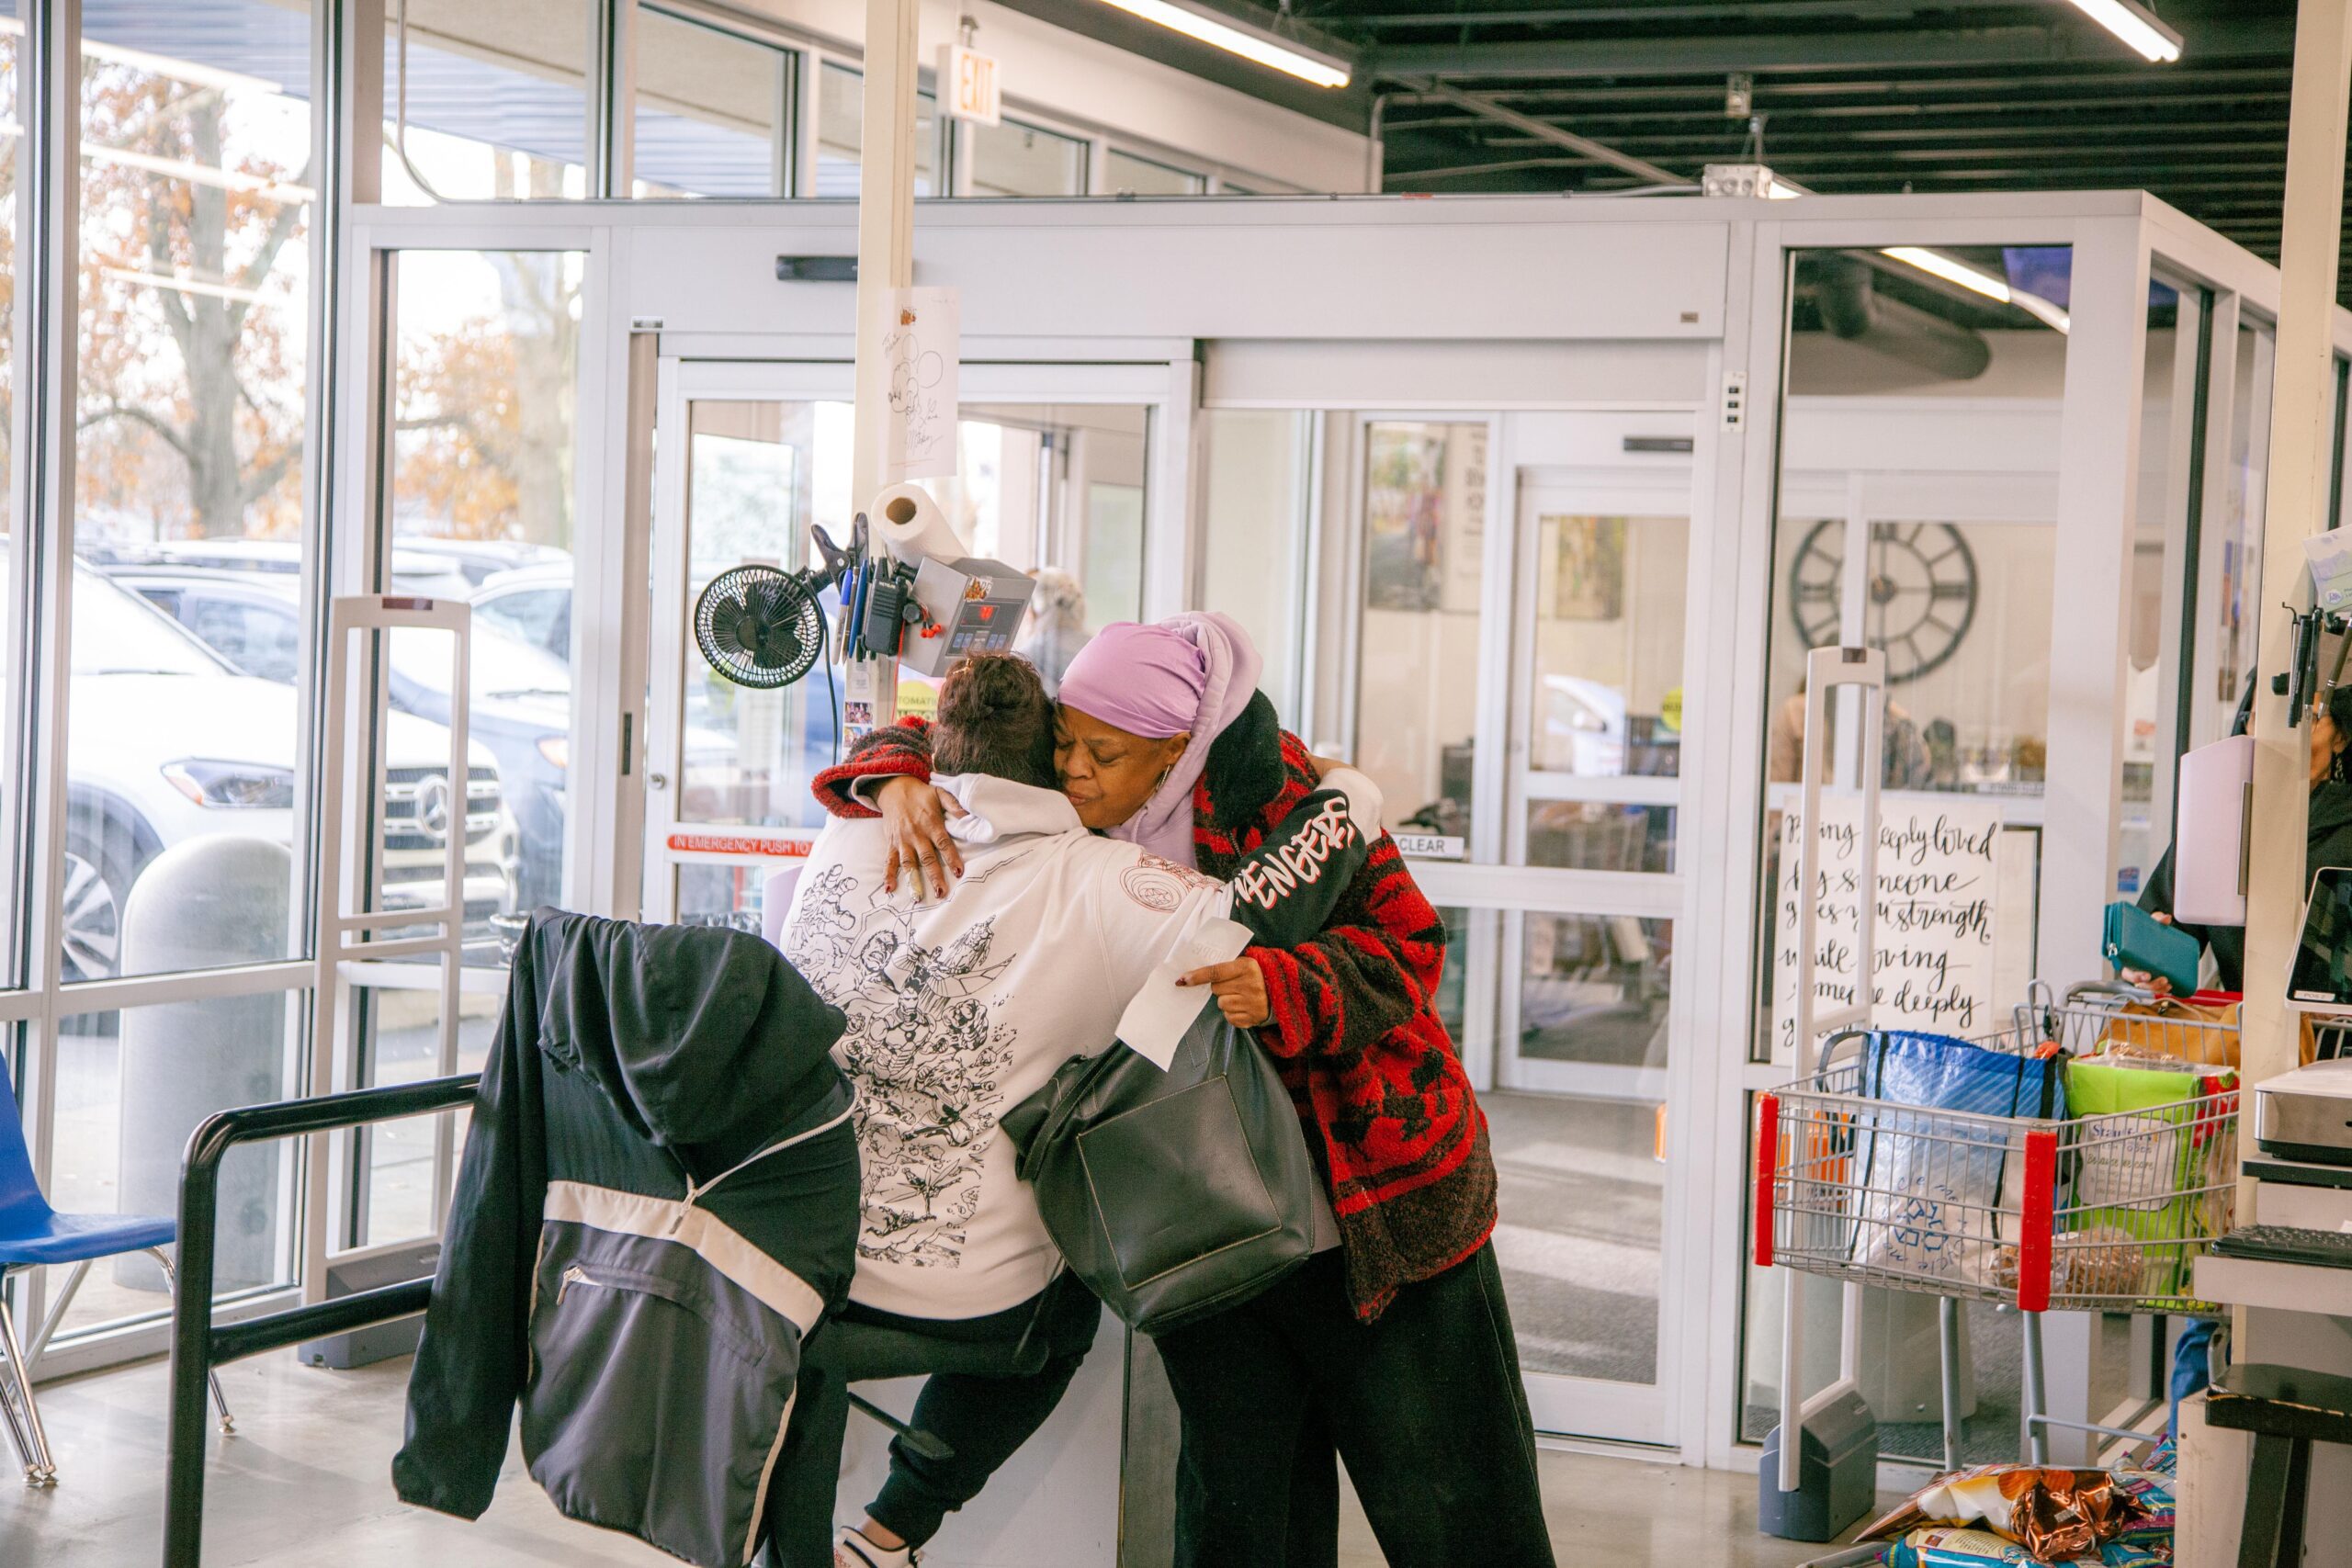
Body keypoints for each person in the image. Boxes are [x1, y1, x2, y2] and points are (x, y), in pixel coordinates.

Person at [815, 613, 1555, 1568]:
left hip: (1373, 1205)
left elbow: (1410, 949)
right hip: (1202, 1208)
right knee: (1240, 1505)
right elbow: (969, 721)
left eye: (1105, 754)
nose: (1074, 771)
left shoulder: (1292, 802)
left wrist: (1284, 987)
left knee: (1452, 1496)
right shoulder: (1082, 785)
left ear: (1179, 749)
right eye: (1065, 745)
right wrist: (897, 776)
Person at [773, 650, 1382, 1568]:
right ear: (1053, 760)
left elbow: (888, 761)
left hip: (787, 1257)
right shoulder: (1105, 884)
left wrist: (891, 772)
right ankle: (891, 1531)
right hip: (954, 1295)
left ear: (934, 755)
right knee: (1060, 1319)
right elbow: (1261, 917)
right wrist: (1353, 798)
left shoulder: (848, 833)